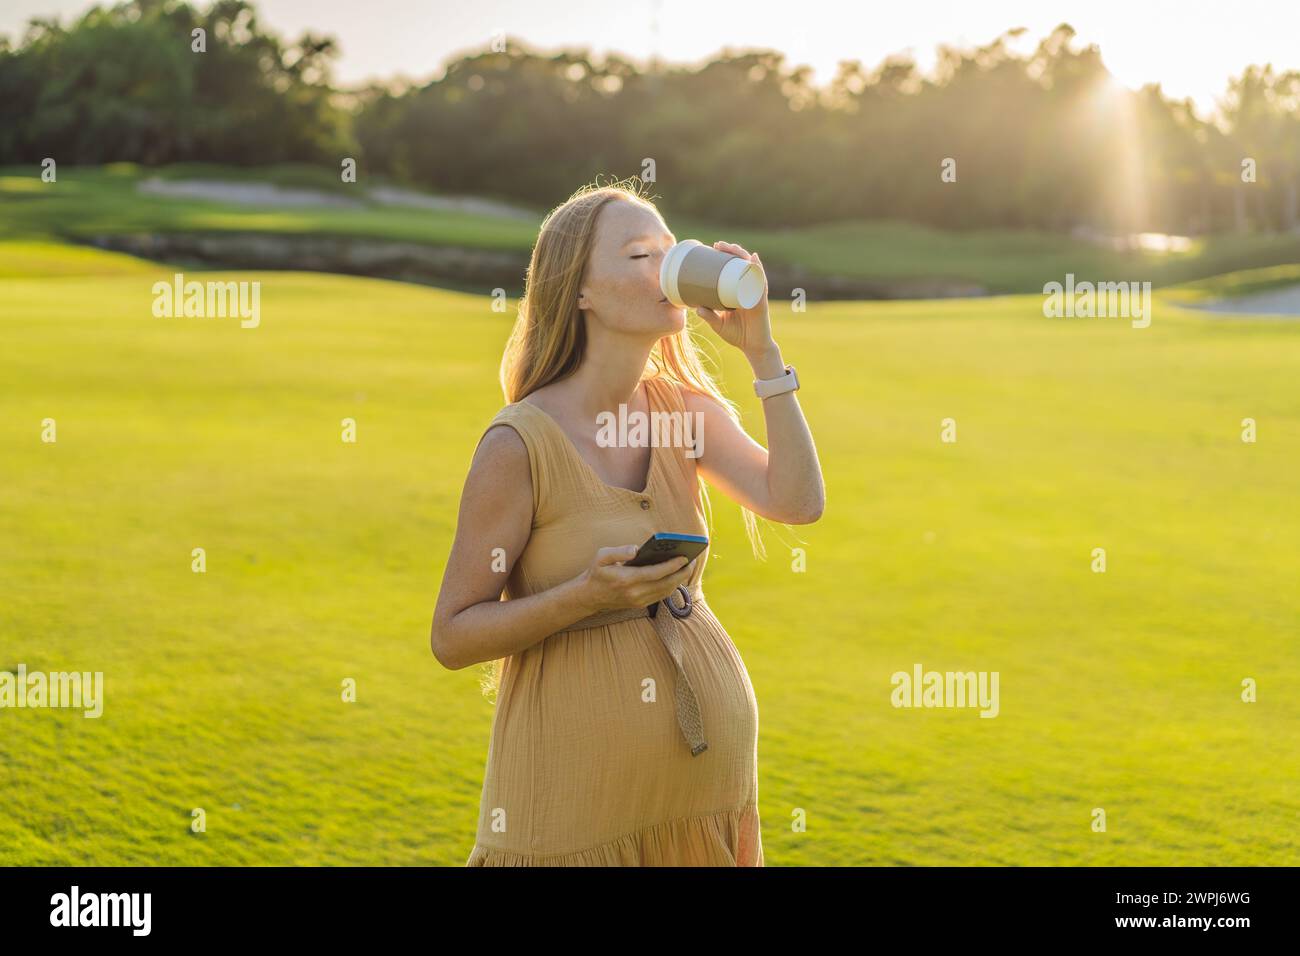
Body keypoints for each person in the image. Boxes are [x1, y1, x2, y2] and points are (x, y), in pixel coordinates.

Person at [430, 176, 824, 865]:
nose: (668, 269)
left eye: (670, 251)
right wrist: (580, 596)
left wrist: (763, 353)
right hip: (571, 803)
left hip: (704, 792)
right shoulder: (518, 444)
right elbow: (454, 636)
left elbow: (797, 502)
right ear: (579, 289)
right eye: (641, 256)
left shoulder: (684, 410)